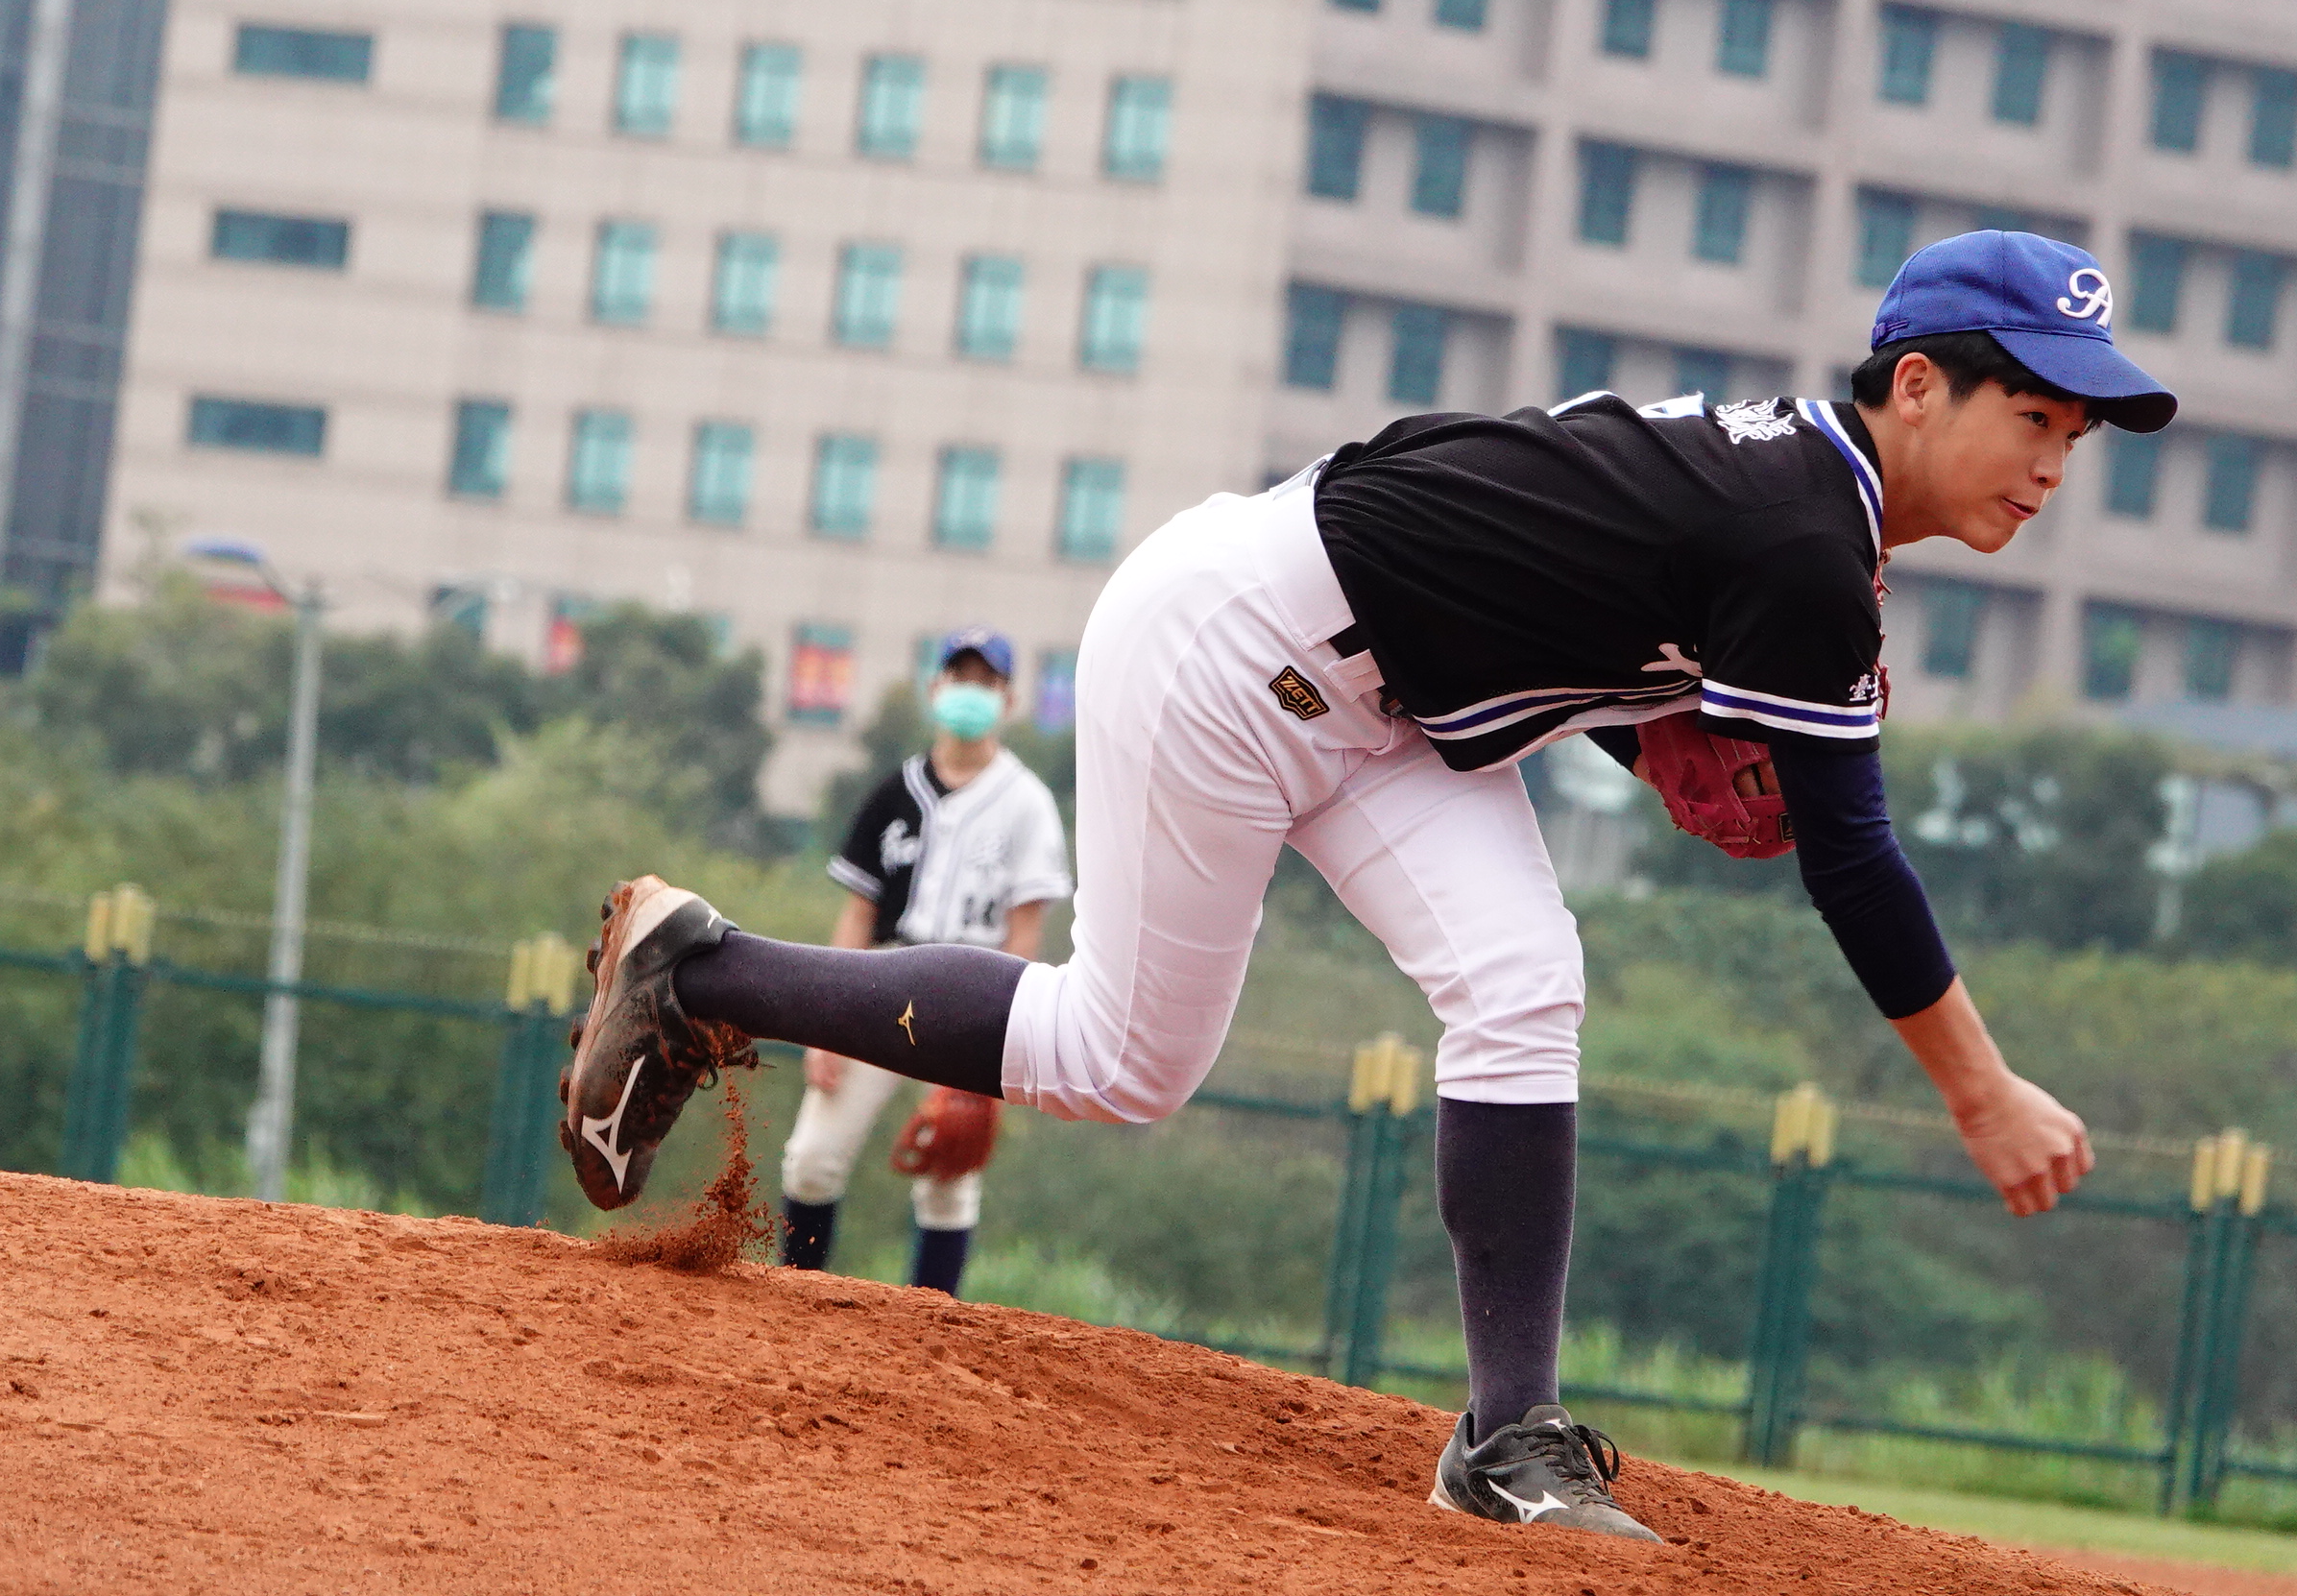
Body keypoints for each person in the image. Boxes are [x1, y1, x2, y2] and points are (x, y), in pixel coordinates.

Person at [555, 232, 2169, 1542]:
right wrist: (1980, 1093)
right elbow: (1854, 859)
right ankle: (701, 974)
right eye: (2032, 414)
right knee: (1124, 1059)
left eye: (2073, 433)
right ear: (1915, 384)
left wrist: (1642, 736)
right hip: (1236, 646)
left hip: (1381, 691)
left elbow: (1537, 562)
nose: (2052, 461)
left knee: (1523, 981)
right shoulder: (1807, 542)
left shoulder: (1783, 487)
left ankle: (1506, 1438)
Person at [777, 628, 1071, 1295]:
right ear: (936, 687)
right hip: (881, 980)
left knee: (950, 1177)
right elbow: (858, 914)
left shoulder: (1027, 803)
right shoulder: (894, 792)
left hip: (972, 991)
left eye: (986, 681)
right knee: (812, 1161)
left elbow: (1025, 932)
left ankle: (931, 1328)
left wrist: (998, 1038)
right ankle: (793, 1305)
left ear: (1009, 699)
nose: (971, 691)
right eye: (960, 677)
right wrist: (823, 1019)